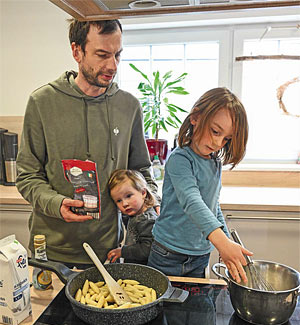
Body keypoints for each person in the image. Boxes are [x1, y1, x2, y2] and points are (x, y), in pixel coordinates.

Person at [16, 19, 159, 267]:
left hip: (107, 250)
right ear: (77, 51)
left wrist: (152, 200)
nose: (112, 65)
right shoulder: (42, 102)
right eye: (102, 55)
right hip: (51, 251)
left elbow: (142, 171)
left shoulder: (129, 106)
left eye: (117, 55)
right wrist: (56, 203)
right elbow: (27, 176)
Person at [147, 87, 251, 283]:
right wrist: (221, 243)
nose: (218, 142)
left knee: (192, 311)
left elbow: (211, 207)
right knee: (162, 310)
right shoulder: (180, 159)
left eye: (226, 138)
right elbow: (191, 201)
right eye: (215, 131)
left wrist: (226, 241)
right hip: (167, 253)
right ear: (195, 117)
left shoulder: (214, 163)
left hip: (200, 255)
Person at [107, 169, 158, 265]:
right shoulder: (135, 214)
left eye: (128, 196)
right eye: (118, 201)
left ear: (143, 193)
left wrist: (122, 251)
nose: (124, 203)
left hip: (146, 269)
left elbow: (148, 249)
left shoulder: (147, 220)